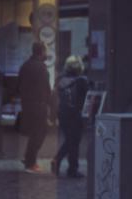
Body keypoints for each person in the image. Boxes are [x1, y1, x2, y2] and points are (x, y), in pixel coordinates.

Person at [51, 55, 89, 178]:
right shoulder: (81, 81)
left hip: (62, 114)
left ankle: (72, 168)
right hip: (75, 115)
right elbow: (85, 99)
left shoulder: (60, 80)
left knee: (70, 139)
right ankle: (60, 161)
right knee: (73, 140)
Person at [18, 40, 52, 174]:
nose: (47, 53)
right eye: (46, 50)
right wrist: (46, 107)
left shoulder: (26, 65)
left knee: (35, 133)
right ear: (42, 52)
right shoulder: (40, 68)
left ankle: (29, 159)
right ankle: (30, 162)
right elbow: (44, 91)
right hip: (38, 107)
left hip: (27, 106)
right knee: (40, 132)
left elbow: (20, 86)